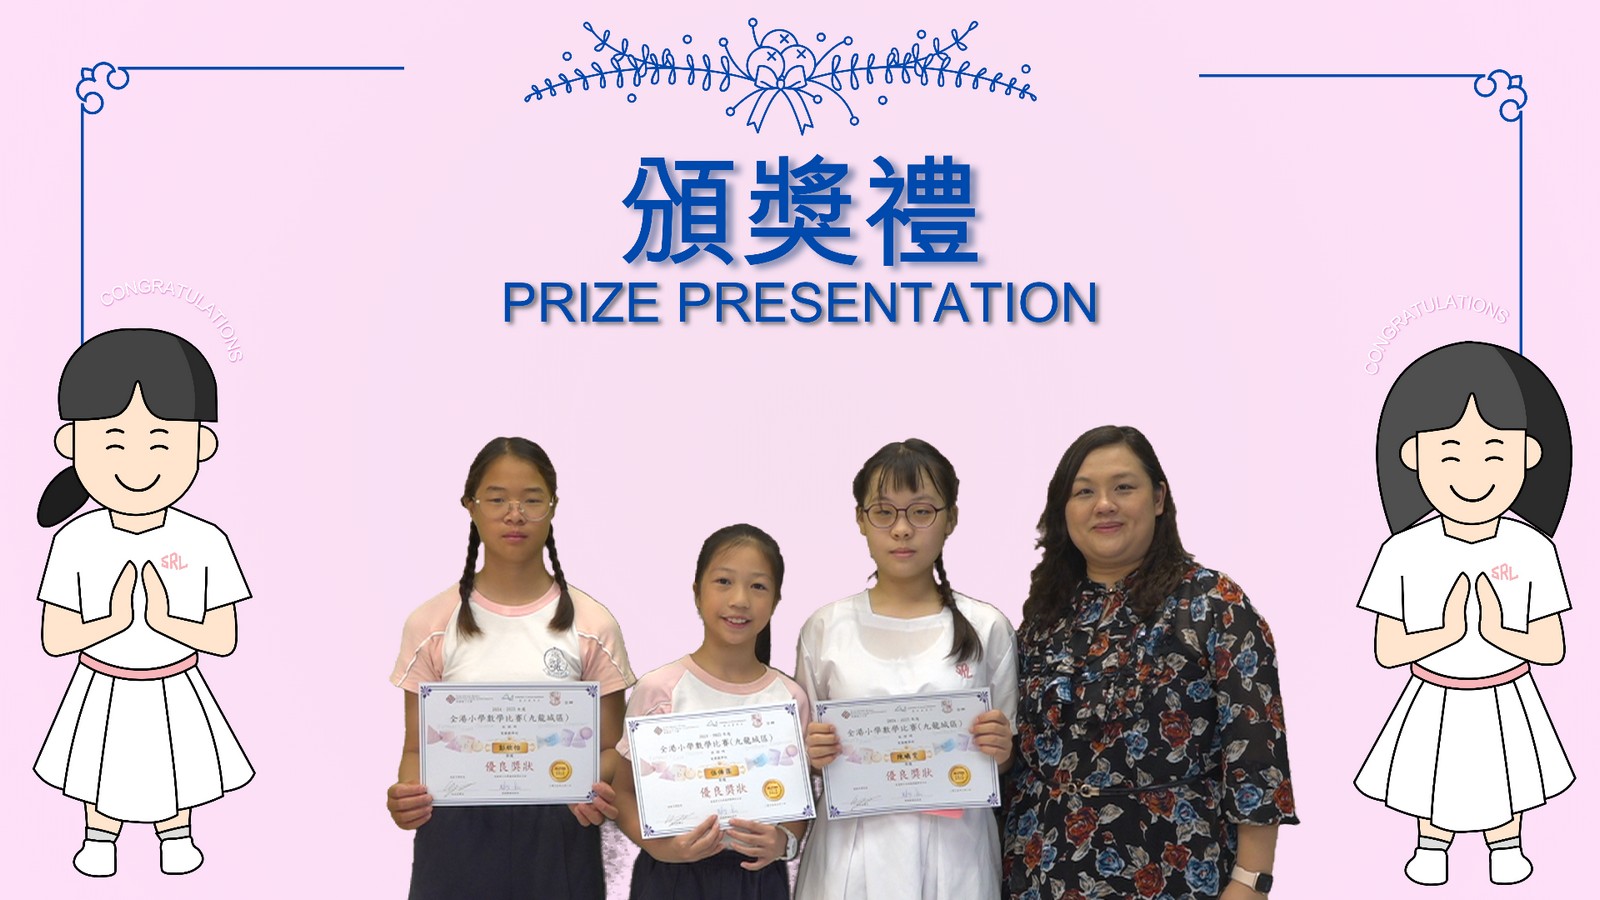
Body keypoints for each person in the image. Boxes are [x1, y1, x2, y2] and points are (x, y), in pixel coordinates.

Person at [1004, 425, 1297, 900]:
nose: (1104, 504)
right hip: (1039, 877)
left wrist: (1251, 882)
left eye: (1123, 487)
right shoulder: (1045, 614)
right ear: (1064, 510)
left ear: (1158, 498)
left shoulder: (1214, 603)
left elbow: (1257, 756)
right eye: (1084, 492)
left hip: (1174, 874)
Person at [34, 328, 253, 877]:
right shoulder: (75, 540)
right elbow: (54, 639)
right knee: (101, 766)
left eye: (160, 443)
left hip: (174, 680)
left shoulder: (205, 540)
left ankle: (175, 836)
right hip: (101, 680)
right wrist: (110, 622)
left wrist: (165, 621)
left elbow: (224, 639)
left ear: (201, 445)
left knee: (175, 766)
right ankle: (99, 837)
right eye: (113, 443)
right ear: (70, 442)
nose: (137, 464)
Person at [1354, 342, 1573, 886]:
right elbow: (1387, 650)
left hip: (1506, 689)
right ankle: (1432, 845)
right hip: (1435, 691)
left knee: (1505, 775)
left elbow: (1552, 648)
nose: (1472, 475)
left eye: (1494, 455)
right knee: (1434, 775)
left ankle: (1507, 845)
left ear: (1529, 455)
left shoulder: (1533, 549)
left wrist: (1500, 633)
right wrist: (1445, 633)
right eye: (1450, 455)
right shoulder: (1402, 550)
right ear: (1413, 455)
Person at [385, 437, 635, 900]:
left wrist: (592, 787)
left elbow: (611, 748)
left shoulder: (593, 624)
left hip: (560, 836)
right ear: (470, 506)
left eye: (532, 500)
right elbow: (417, 750)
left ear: (553, 506)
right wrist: (407, 797)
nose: (514, 514)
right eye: (497, 499)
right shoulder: (430, 623)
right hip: (456, 838)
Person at [794, 438, 1018, 900]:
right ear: (860, 519)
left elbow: (1006, 757)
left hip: (956, 854)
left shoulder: (987, 626)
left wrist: (1002, 749)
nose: (901, 529)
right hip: (849, 854)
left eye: (921, 511)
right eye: (883, 512)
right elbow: (802, 757)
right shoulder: (826, 628)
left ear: (951, 518)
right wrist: (811, 752)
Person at [611, 524, 812, 899]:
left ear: (776, 601)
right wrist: (662, 849)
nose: (740, 600)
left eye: (758, 586)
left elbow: (798, 804)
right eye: (723, 581)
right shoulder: (659, 689)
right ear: (696, 593)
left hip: (757, 879)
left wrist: (783, 842)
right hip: (672, 877)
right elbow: (622, 792)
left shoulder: (789, 699)